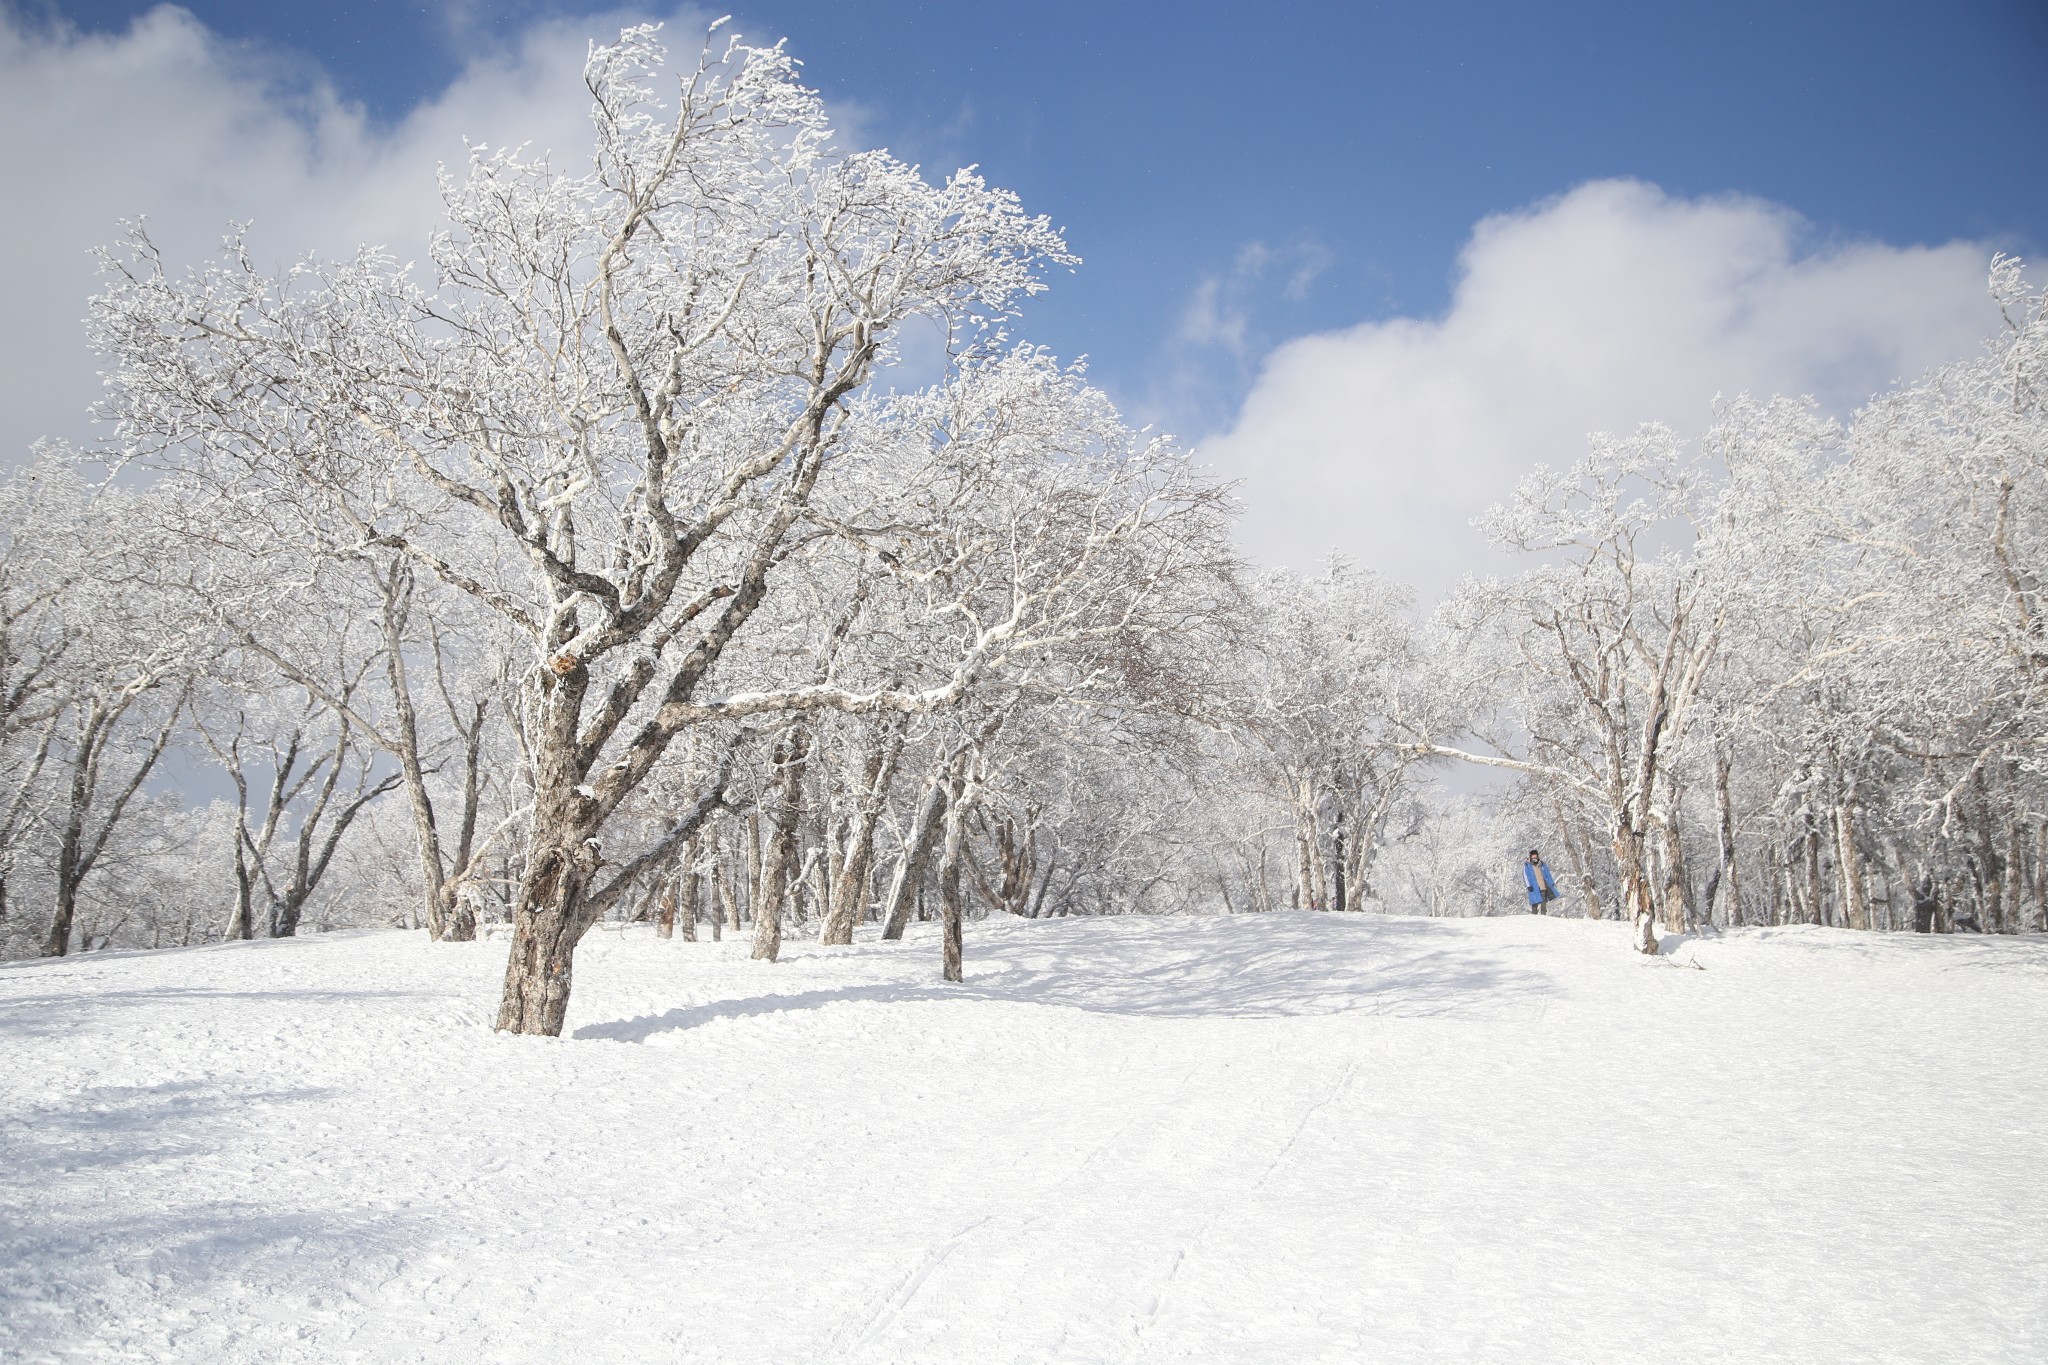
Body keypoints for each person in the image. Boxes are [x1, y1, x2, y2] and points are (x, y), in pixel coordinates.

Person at [1523, 849, 1559, 913]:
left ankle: (1543, 914)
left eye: (1535, 855)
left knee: (1543, 900)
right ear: (1530, 856)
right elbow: (1525, 875)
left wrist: (1551, 882)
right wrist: (1528, 885)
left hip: (1542, 884)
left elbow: (1547, 874)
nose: (1534, 857)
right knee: (1534, 900)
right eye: (1533, 856)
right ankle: (1534, 914)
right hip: (1533, 886)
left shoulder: (1541, 864)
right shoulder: (1527, 865)